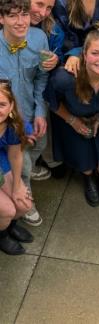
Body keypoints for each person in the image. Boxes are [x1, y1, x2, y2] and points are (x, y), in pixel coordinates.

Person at [45, 30, 99, 208]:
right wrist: (73, 122)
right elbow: (52, 102)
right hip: (72, 118)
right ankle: (88, 179)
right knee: (83, 156)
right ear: (84, 54)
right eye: (95, 53)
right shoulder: (64, 79)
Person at [0, 0, 49, 227]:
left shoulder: (39, 38)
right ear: (1, 18)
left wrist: (40, 112)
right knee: (22, 163)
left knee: (40, 145)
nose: (20, 22)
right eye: (12, 16)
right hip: (7, 120)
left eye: (24, 14)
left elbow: (41, 77)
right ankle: (23, 198)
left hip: (32, 109)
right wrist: (17, 126)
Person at [19, 0, 65, 177]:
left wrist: (56, 60)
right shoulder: (7, 25)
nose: (43, 12)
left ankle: (27, 168)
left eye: (49, 8)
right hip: (10, 95)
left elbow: (50, 66)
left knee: (38, 140)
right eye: (39, 4)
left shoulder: (52, 31)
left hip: (36, 91)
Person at [0, 81, 34, 255]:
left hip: (1, 161)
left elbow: (15, 155)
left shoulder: (14, 125)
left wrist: (17, 186)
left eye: (2, 104)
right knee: (7, 210)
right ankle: (2, 235)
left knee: (23, 204)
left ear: (11, 105)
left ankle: (9, 226)